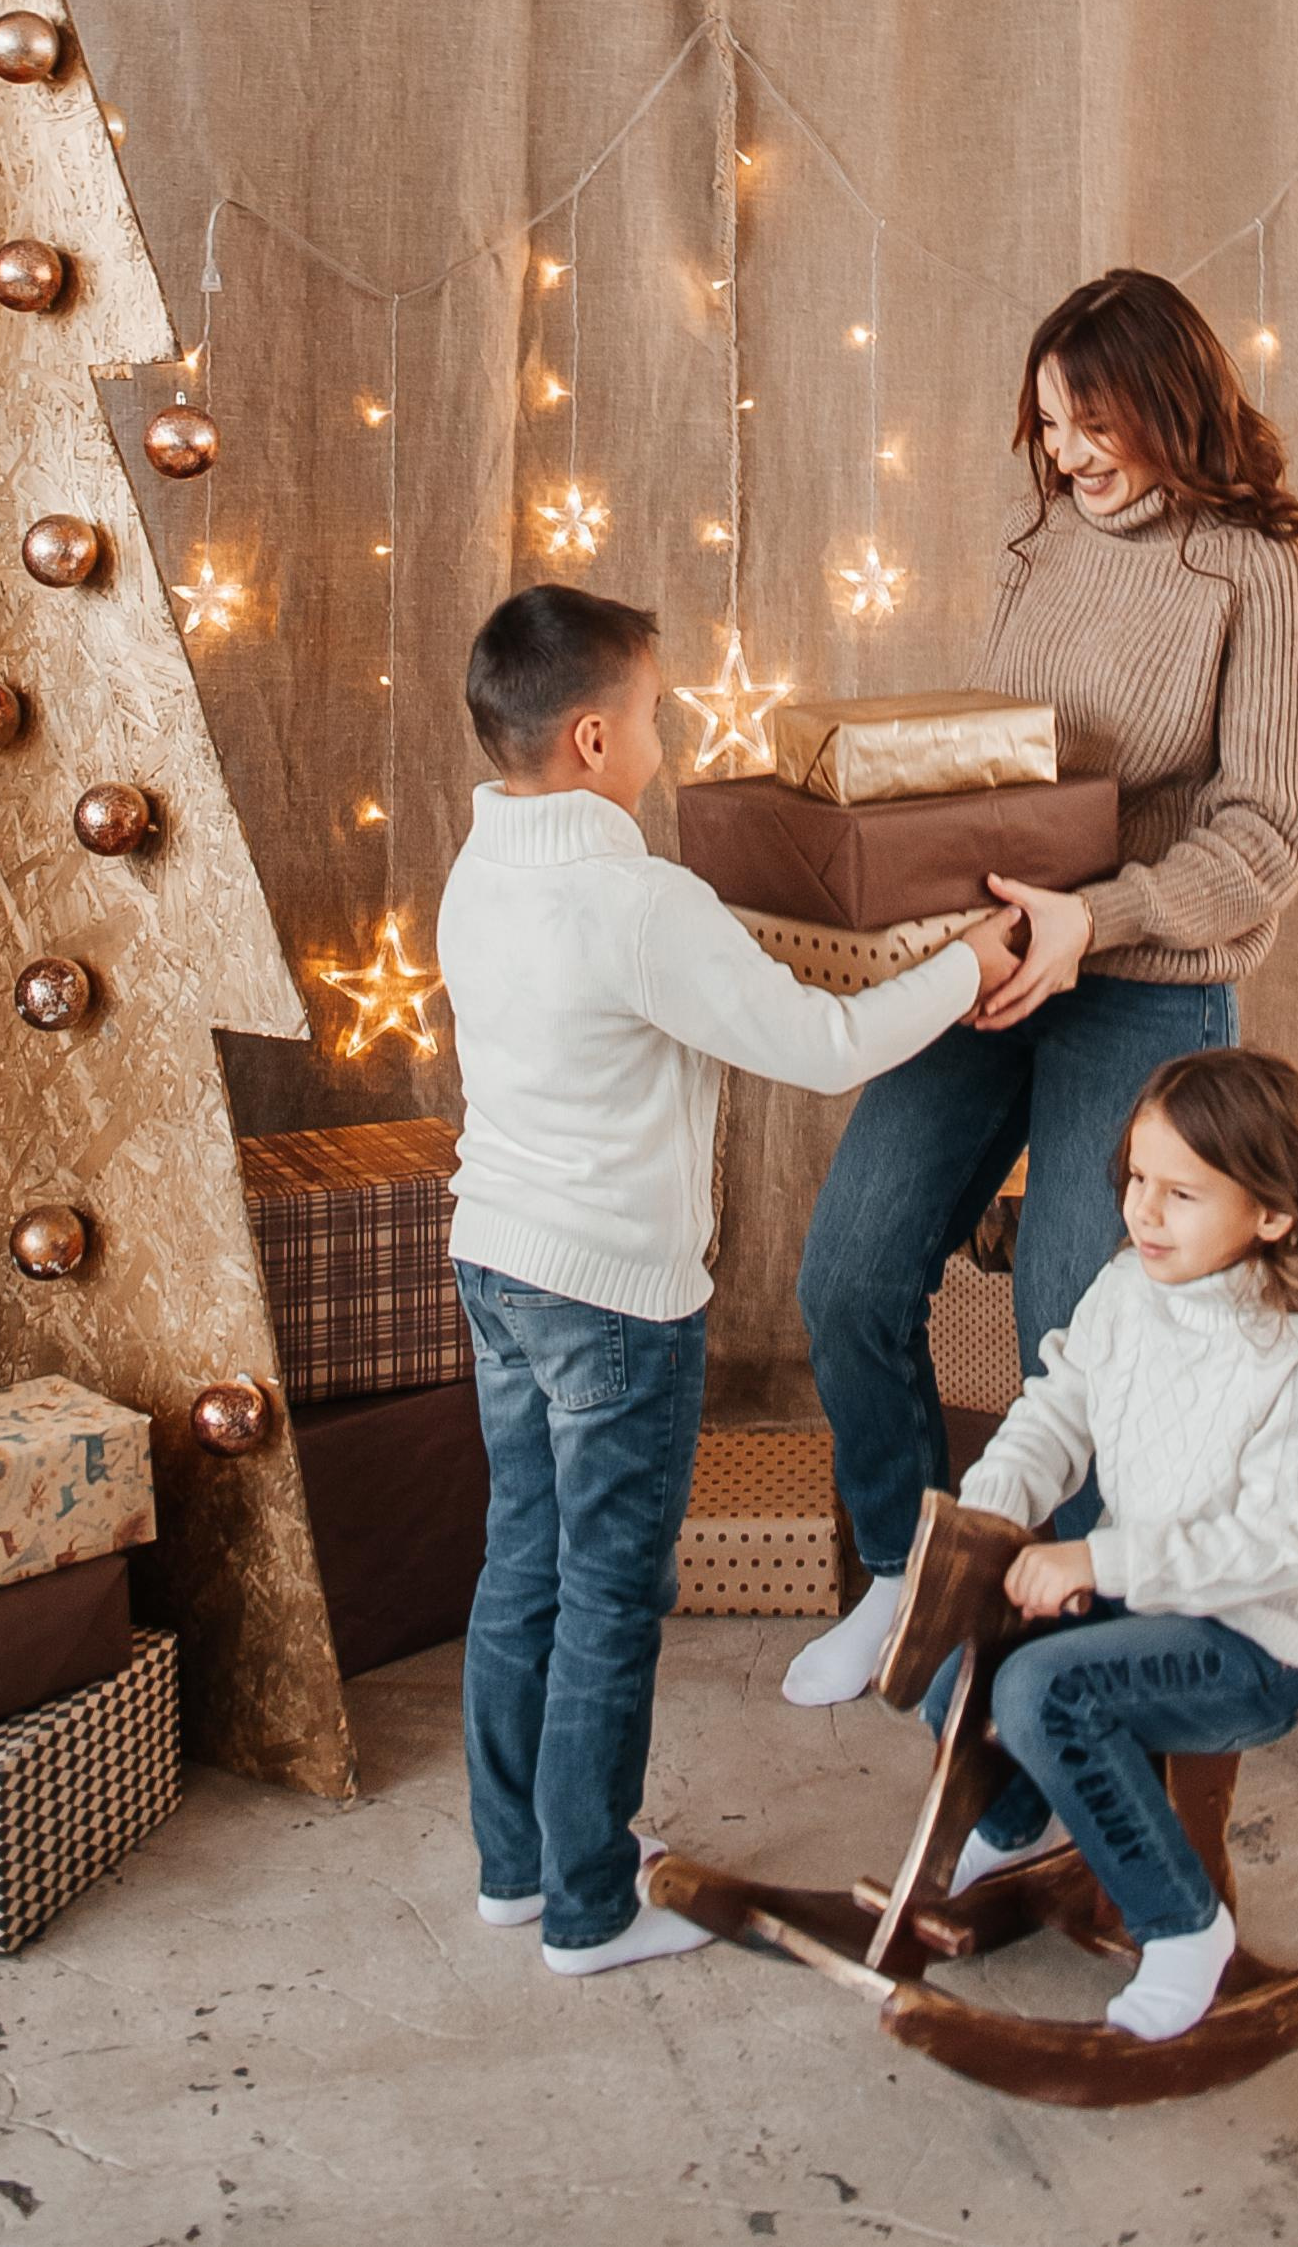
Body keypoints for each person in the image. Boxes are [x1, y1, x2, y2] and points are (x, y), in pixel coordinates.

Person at [438, 583, 1021, 1977]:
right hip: (615, 1299)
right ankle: (590, 1901)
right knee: (608, 1594)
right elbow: (823, 1046)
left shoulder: (482, 866)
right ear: (590, 738)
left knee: (522, 1562)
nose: (665, 732)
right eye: (650, 711)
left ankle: (518, 1862)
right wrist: (966, 964)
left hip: (495, 1263)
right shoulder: (639, 900)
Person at [787, 268, 1298, 1708]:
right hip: (999, 955)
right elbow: (1002, 768)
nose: (1071, 455)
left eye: (1094, 423)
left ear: (1171, 403)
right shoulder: (1042, 548)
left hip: (1144, 977)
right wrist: (955, 917)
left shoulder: (1259, 568)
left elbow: (1270, 833)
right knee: (847, 1270)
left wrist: (1095, 923)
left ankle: (1064, 1660)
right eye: (1049, 425)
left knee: (1072, 1324)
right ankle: (910, 1578)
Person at [940, 1048, 1298, 2041]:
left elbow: (1269, 1546)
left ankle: (1184, 1927)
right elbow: (1059, 1414)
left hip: (1249, 1643)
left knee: (1041, 1691)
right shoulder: (1127, 1292)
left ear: (1271, 1213)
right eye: (1137, 1180)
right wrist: (992, 1510)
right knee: (960, 1661)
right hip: (1146, 1602)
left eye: (1181, 1193)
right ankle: (1012, 1836)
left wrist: (1096, 1562)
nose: (1143, 1212)